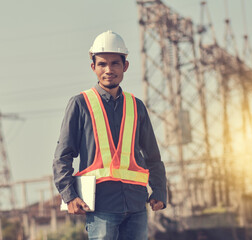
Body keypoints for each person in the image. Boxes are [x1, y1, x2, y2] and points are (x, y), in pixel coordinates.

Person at [53, 30, 167, 240]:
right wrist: (69, 196)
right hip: (100, 207)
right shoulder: (80, 104)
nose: (109, 69)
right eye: (102, 64)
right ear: (93, 67)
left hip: (136, 205)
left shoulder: (137, 106)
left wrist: (159, 190)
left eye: (115, 63)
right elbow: (63, 156)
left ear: (125, 66)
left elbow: (152, 156)